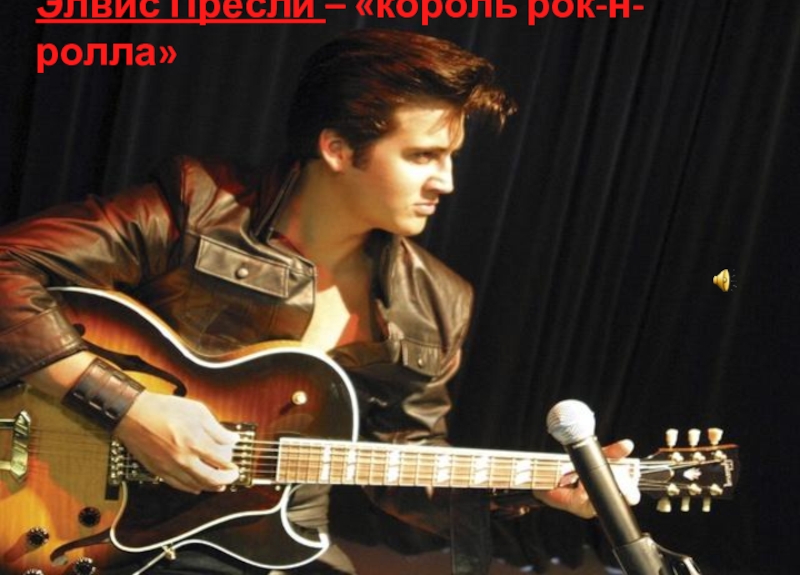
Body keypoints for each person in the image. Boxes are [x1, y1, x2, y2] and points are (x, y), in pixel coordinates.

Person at [0, 29, 638, 574]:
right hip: (84, 519)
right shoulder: (199, 207)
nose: (445, 181)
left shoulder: (437, 302)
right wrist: (127, 408)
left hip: (274, 545)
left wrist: (532, 490)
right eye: (423, 156)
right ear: (337, 148)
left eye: (450, 158)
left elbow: (408, 475)